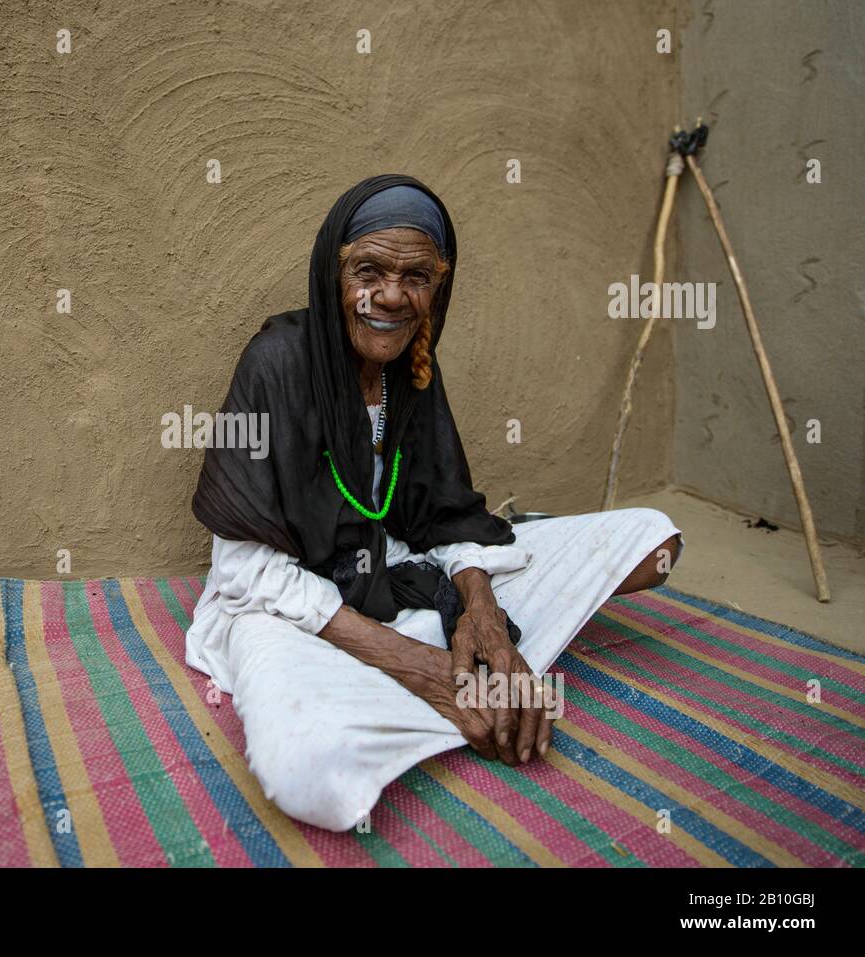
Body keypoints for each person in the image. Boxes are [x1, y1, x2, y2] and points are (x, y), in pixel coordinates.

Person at [186, 174, 683, 832]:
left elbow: (442, 512)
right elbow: (240, 569)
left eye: (416, 276)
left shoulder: (412, 366)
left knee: (656, 543)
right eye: (369, 270)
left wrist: (481, 611)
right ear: (333, 272)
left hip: (403, 579)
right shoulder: (275, 362)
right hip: (295, 609)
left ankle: (461, 673)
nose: (391, 295)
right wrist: (421, 667)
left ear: (437, 286)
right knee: (313, 770)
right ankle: (445, 687)